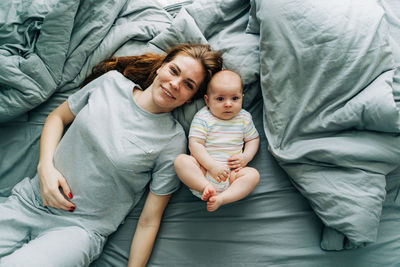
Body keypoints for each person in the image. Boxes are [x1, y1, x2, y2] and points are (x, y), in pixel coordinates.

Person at [0, 44, 223, 267]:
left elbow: (149, 220)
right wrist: (45, 167)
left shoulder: (173, 141)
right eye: (174, 71)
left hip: (76, 230)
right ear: (161, 67)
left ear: (190, 99)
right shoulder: (110, 83)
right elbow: (57, 118)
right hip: (28, 201)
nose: (175, 84)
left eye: (188, 85)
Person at [174, 70, 260, 212]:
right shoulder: (203, 117)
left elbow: (253, 139)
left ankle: (222, 198)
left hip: (231, 175)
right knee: (181, 161)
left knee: (253, 175)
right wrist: (212, 166)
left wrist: (246, 157)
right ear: (207, 101)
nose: (228, 104)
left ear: (242, 98)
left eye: (235, 98)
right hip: (203, 171)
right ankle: (205, 187)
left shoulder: (244, 118)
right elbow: (195, 144)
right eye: (220, 99)